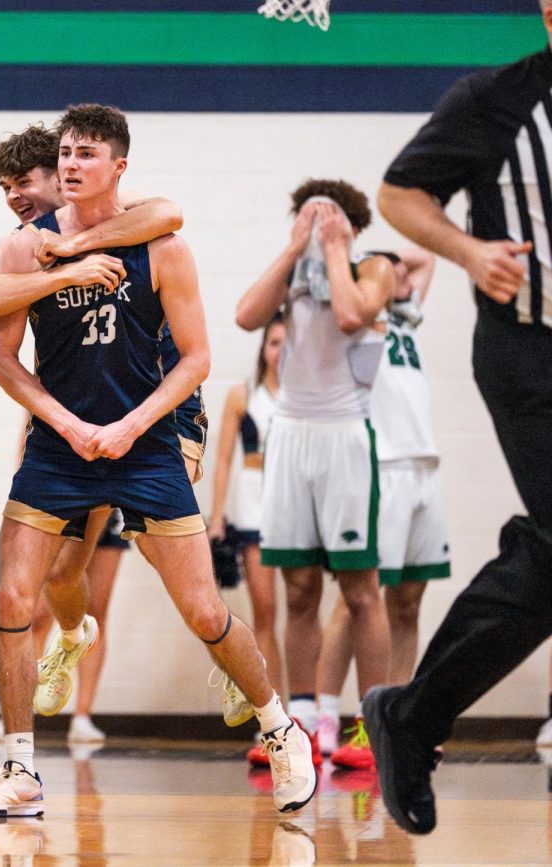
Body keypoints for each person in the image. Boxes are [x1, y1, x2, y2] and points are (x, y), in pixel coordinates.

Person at [0, 103, 314, 820]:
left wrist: (129, 423)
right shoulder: (29, 247)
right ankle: (21, 766)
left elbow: (198, 358)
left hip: (147, 438)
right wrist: (61, 419)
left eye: (85, 153)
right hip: (61, 444)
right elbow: (0, 357)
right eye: (64, 151)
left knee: (204, 609)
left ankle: (281, 726)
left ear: (118, 166)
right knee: (12, 596)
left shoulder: (163, 242)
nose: (69, 163)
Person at [364, 0, 552, 835]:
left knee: (550, 553)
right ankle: (415, 715)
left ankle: (412, 714)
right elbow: (400, 194)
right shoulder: (497, 100)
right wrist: (471, 252)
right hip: (530, 350)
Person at [0, 124, 190, 745]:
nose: (17, 195)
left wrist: (79, 246)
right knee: (60, 577)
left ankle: (232, 667)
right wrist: (64, 270)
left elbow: (172, 210)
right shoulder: (27, 245)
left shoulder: (130, 222)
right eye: (4, 187)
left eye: (26, 181)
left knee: (164, 584)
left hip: (156, 414)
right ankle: (71, 640)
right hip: (76, 423)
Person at [235, 179, 396, 761]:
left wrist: (335, 247)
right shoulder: (292, 278)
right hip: (290, 436)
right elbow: (245, 316)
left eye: (326, 219)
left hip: (344, 438)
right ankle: (298, 723)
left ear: (351, 226)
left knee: (359, 588)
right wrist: (293, 249)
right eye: (305, 218)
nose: (315, 227)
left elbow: (352, 315)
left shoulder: (375, 268)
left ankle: (372, 726)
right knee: (297, 587)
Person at [312, 248, 448, 769]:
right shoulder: (353, 321)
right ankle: (324, 725)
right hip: (380, 467)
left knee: (408, 601)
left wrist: (390, 266)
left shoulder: (405, 319)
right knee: (356, 600)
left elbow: (426, 260)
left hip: (424, 469)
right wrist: (364, 266)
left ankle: (394, 724)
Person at [206, 315, 285, 764]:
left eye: (288, 344)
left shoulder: (308, 393)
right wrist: (218, 516)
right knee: (264, 611)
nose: (281, 351)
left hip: (292, 506)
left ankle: (303, 712)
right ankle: (269, 713)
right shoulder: (243, 393)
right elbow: (221, 460)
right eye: (274, 342)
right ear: (263, 347)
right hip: (254, 506)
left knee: (300, 608)